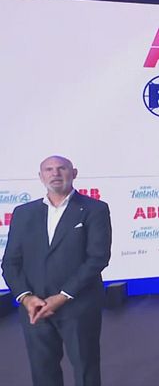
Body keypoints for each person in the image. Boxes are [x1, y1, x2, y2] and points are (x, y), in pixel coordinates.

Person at [2, 156, 112, 386]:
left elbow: (97, 258)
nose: (55, 173)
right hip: (35, 309)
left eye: (61, 168)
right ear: (40, 176)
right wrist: (27, 298)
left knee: (86, 370)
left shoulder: (95, 209)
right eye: (49, 169)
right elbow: (10, 263)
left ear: (74, 173)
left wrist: (62, 296)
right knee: (43, 373)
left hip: (79, 306)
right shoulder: (23, 213)